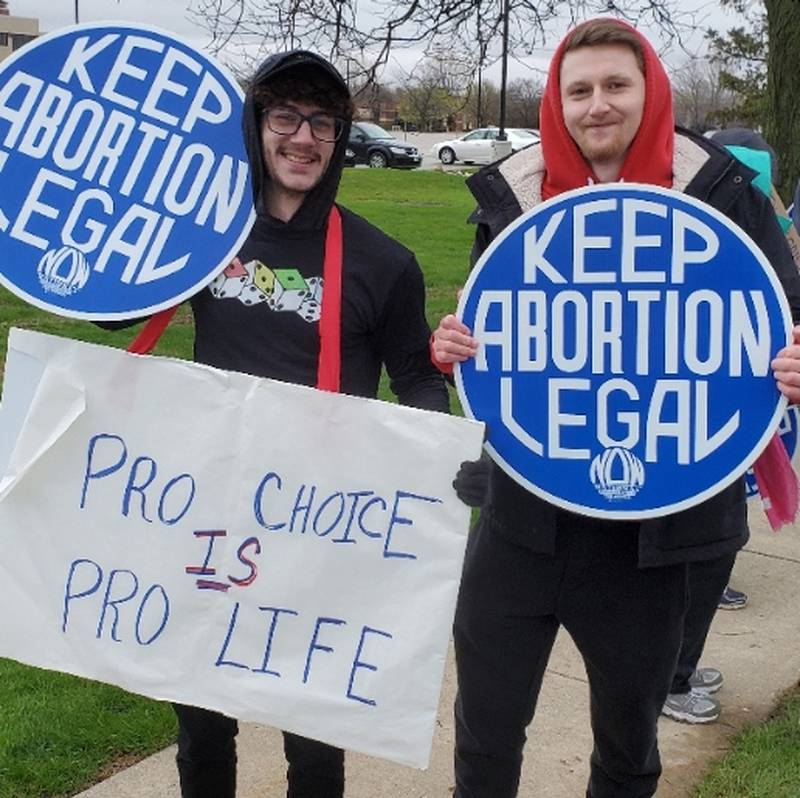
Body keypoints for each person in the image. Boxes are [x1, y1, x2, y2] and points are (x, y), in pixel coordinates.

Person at [432, 18, 800, 798]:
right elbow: (497, 334)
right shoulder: (518, 197)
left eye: (616, 85)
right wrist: (458, 348)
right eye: (579, 89)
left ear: (651, 93)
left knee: (629, 751)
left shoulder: (726, 195)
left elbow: (782, 318)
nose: (597, 105)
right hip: (520, 520)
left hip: (652, 543)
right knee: (485, 734)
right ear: (559, 104)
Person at [106, 50, 449, 798]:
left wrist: (434, 452)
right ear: (256, 125)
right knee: (201, 731)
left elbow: (419, 376)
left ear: (340, 137)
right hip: (205, 514)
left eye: (322, 121)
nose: (303, 137)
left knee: (315, 740)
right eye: (285, 116)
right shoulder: (205, 235)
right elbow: (120, 307)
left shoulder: (382, 262)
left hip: (319, 526)